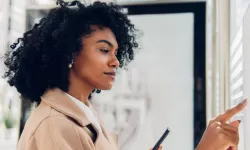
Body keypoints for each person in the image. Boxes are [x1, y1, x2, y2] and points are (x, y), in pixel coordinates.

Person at [3, 0, 247, 150]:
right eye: (104, 50)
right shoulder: (55, 126)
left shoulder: (83, 114)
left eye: (116, 52)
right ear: (69, 53)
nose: (115, 61)